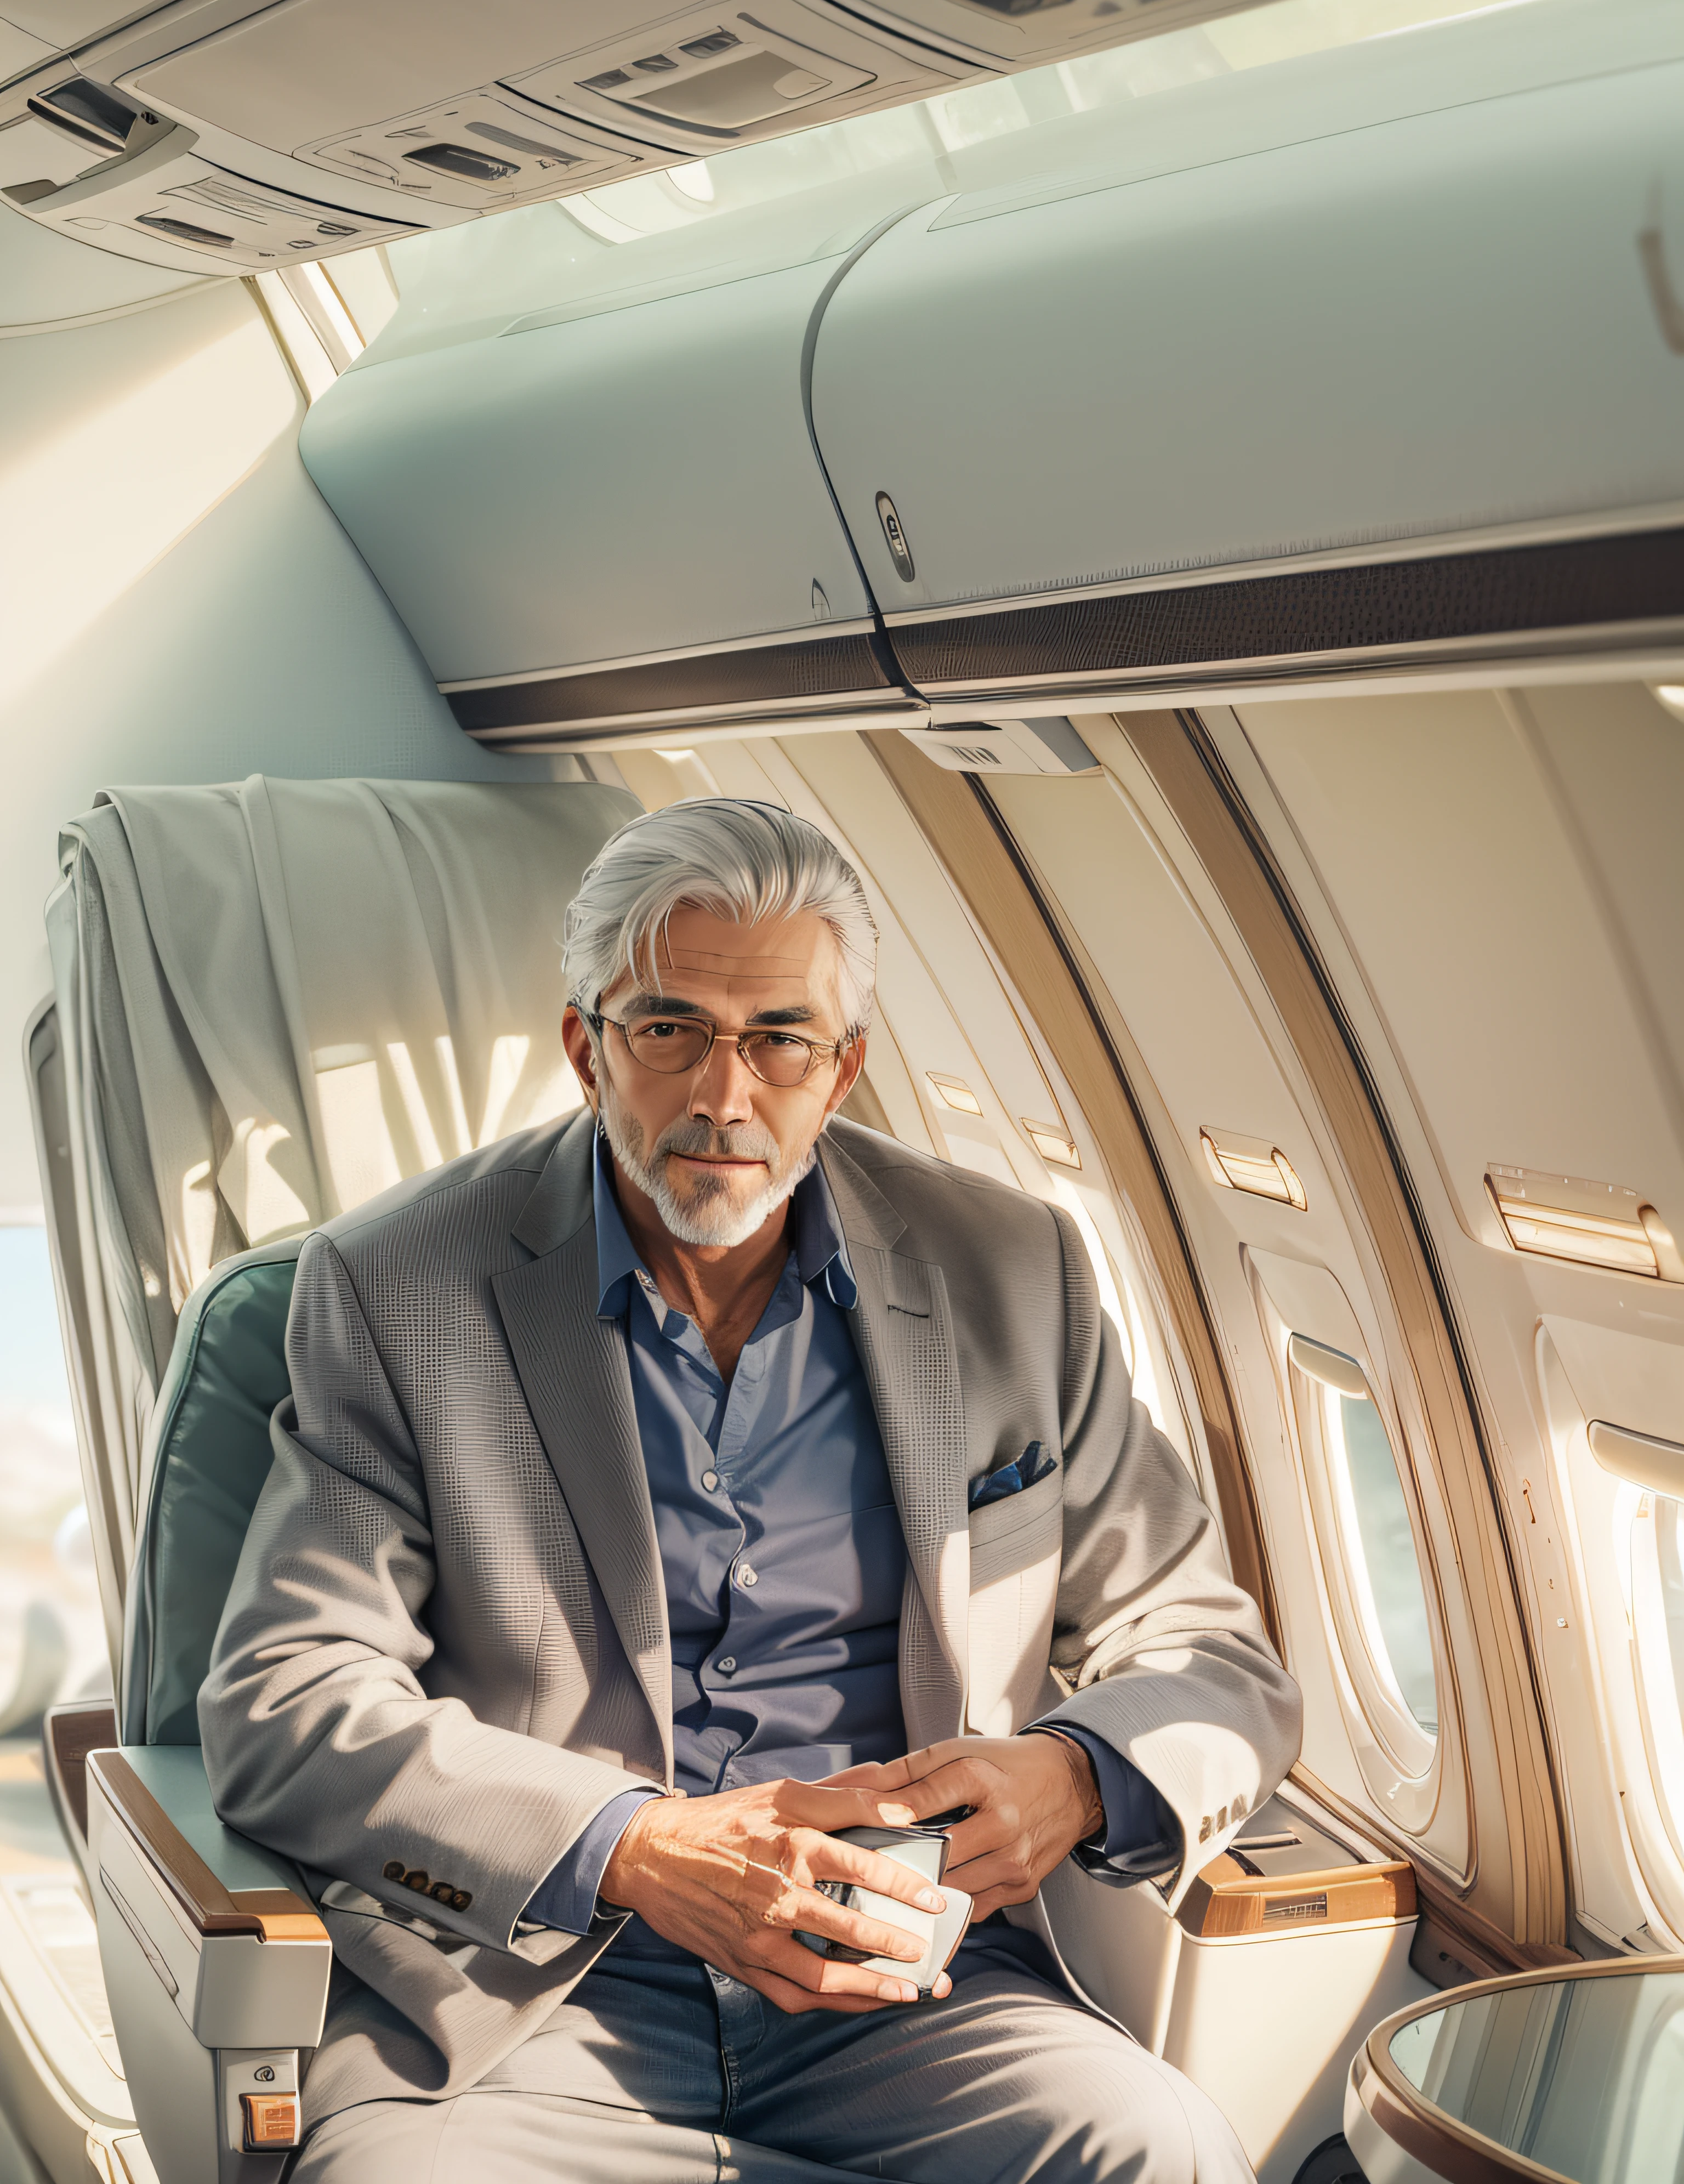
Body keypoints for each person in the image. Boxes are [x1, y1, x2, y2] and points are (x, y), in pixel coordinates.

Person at [201, 797, 1301, 2181]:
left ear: (841, 1072)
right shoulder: (397, 1286)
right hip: (527, 2001)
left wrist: (1073, 1777)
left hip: (912, 1996)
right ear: (584, 1045)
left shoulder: (1017, 1272)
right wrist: (640, 1844)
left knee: (1165, 2147)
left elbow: (1214, 1657)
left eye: (779, 1038)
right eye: (669, 1030)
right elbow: (288, 1696)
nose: (725, 1094)